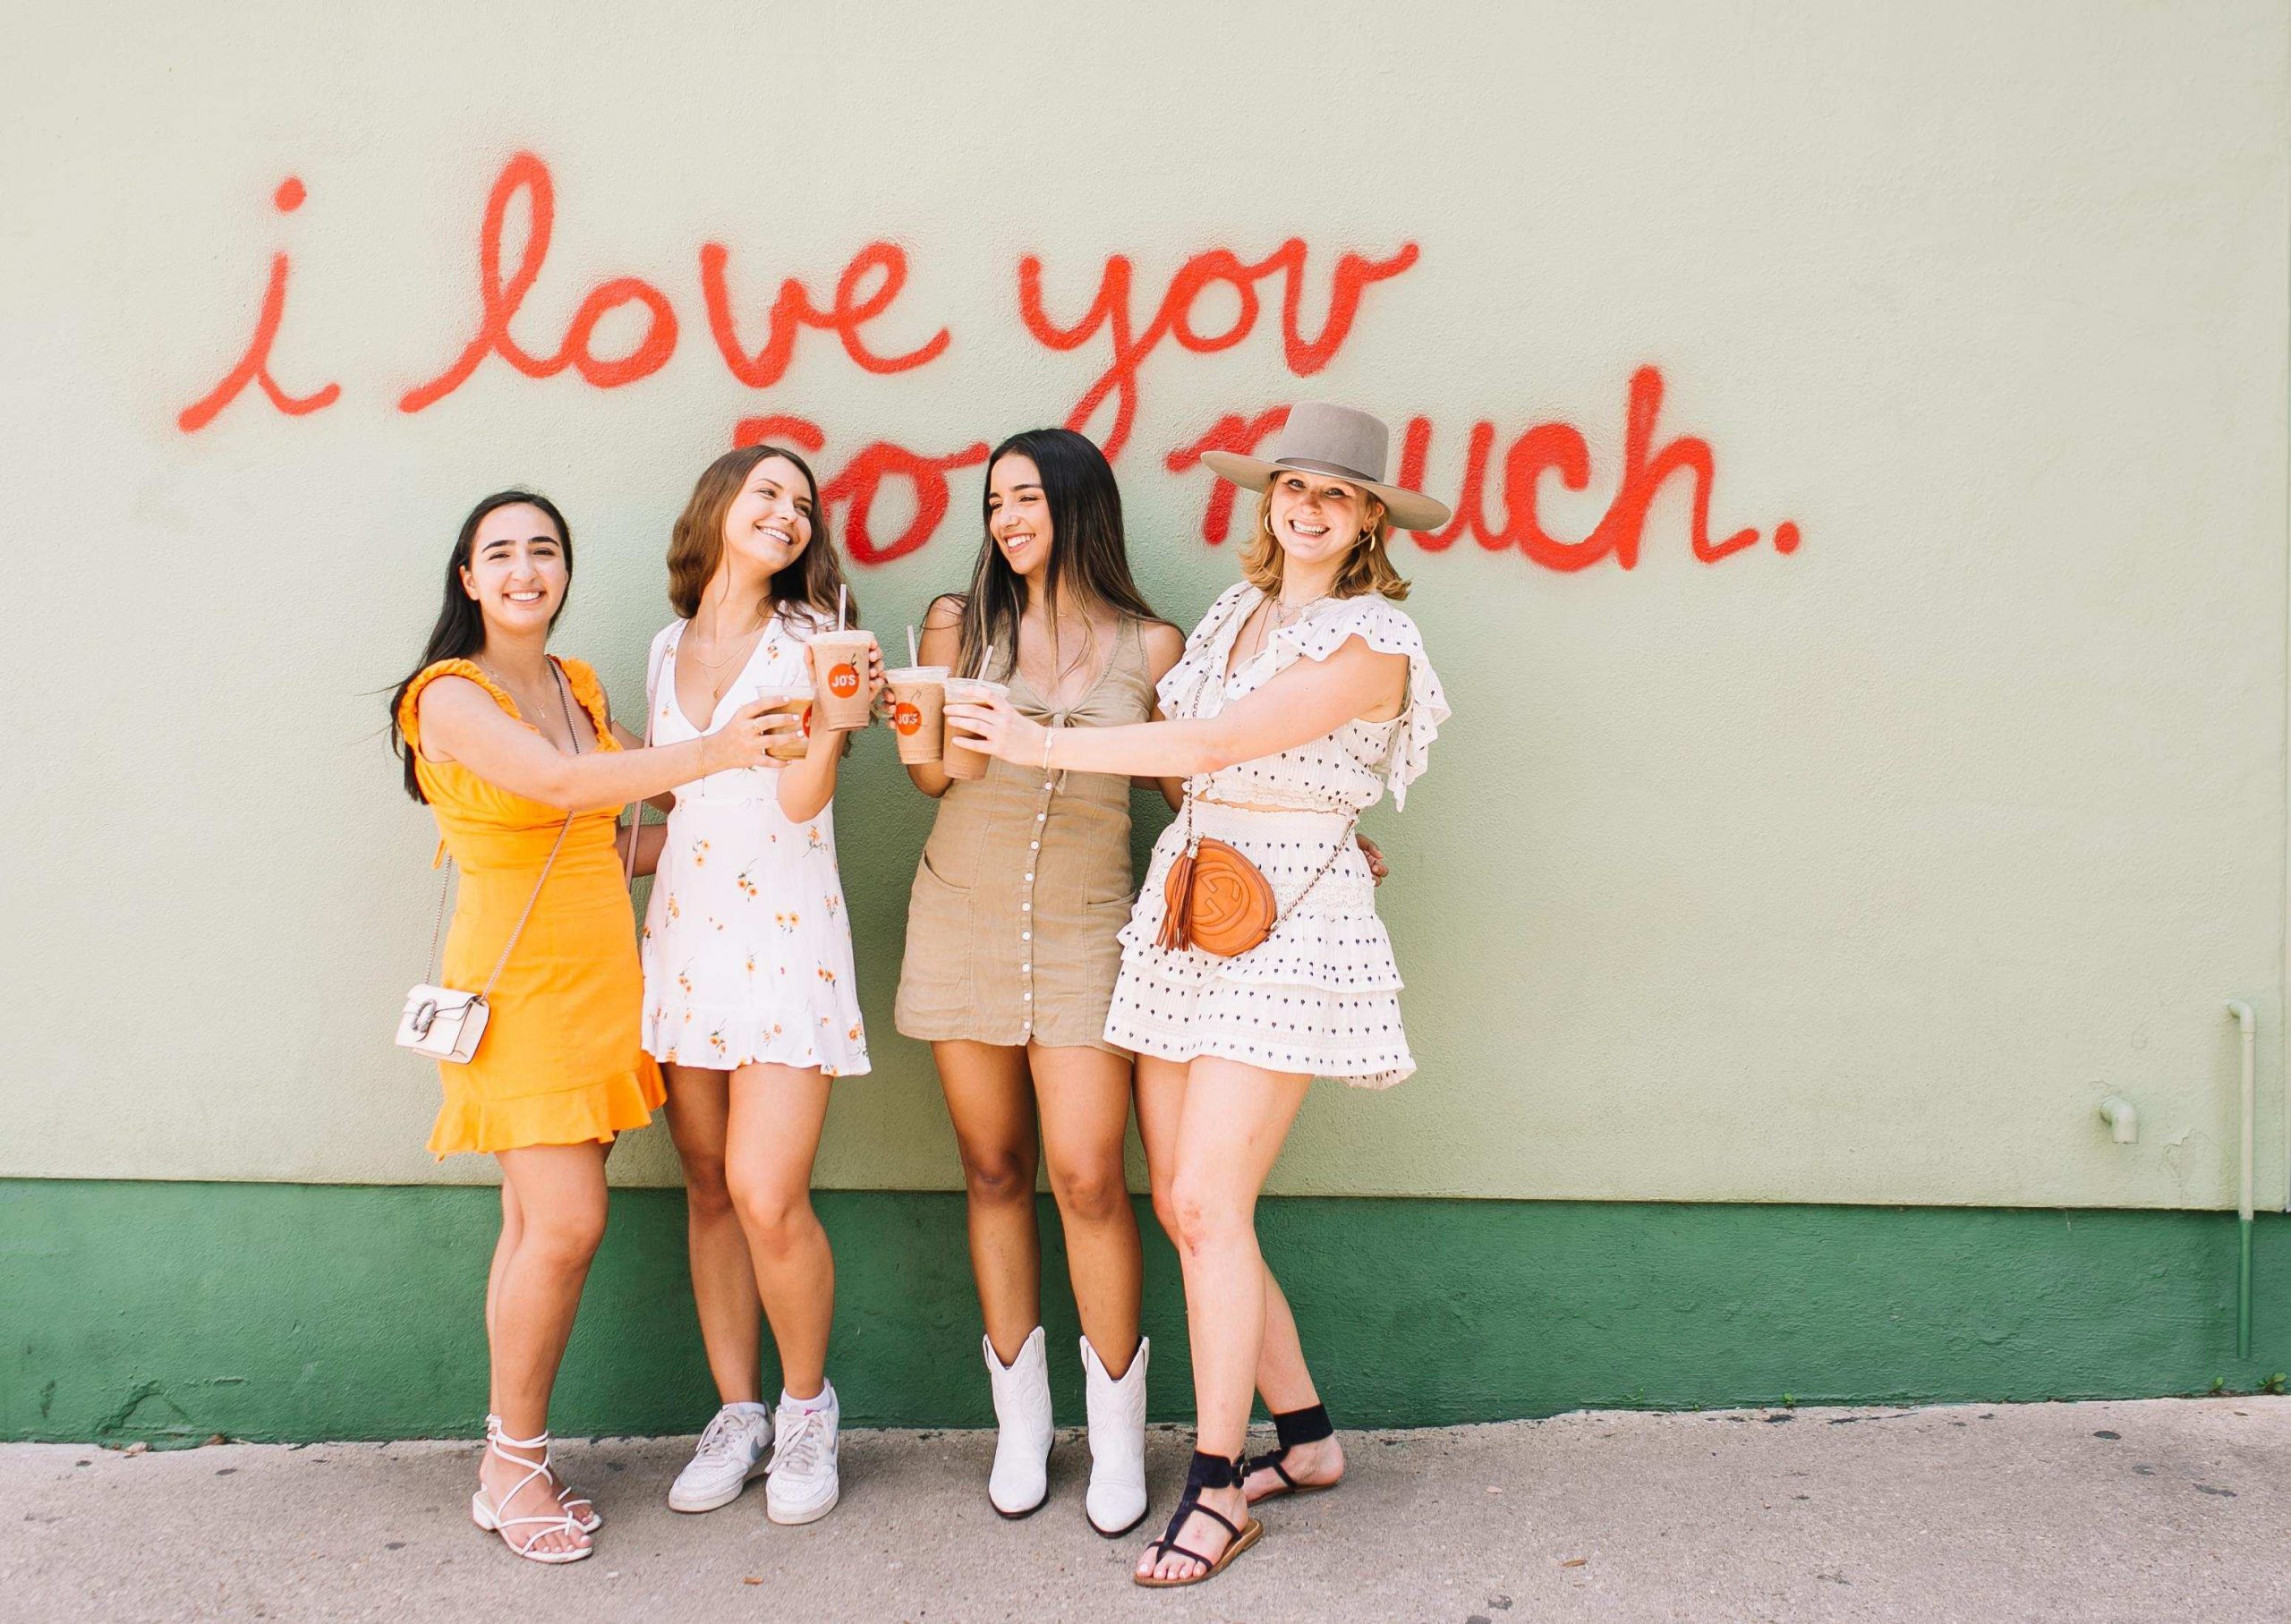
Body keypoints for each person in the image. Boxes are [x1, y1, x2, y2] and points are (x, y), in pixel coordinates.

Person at [944, 403, 1452, 1586]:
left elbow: (1217, 743)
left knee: (1212, 1203)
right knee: (1186, 1204)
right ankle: (1309, 1439)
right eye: (1292, 484)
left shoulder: (1373, 638)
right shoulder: (1235, 611)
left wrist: (1035, 741)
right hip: (1191, 907)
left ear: (1371, 516)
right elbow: (1208, 774)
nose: (1309, 505)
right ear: (1267, 495)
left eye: (1337, 492)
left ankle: (1218, 1482)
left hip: (1287, 926)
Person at [389, 489, 780, 1564]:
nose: (525, 570)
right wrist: (717, 754)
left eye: (545, 550)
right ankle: (510, 1462)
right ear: (467, 578)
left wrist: (739, 840)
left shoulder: (576, 683)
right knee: (565, 1227)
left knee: (535, 1229)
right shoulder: (447, 698)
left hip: (603, 980)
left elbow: (607, 841)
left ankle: (510, 1457)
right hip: (517, 998)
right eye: (500, 554)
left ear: (565, 569)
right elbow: (564, 785)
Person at [894, 429, 1184, 1533]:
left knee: (1090, 1178)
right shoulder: (956, 626)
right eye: (993, 501)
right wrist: (923, 716)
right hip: (959, 917)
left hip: (1085, 932)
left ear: (1079, 506)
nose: (1006, 517)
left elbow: (1182, 782)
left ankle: (1117, 1442)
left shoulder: (1151, 646)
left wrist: (1314, 840)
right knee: (992, 1167)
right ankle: (1023, 1427)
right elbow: (931, 780)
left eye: (1026, 497)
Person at [642, 444, 882, 1526]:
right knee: (705, 1184)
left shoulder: (812, 641)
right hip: (685, 938)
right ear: (719, 509)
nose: (787, 514)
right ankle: (735, 1412)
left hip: (784, 942)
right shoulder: (663, 646)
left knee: (766, 1193)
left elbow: (792, 806)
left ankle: (803, 1409)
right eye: (767, 494)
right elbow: (672, 811)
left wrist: (832, 722)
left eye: (802, 505)